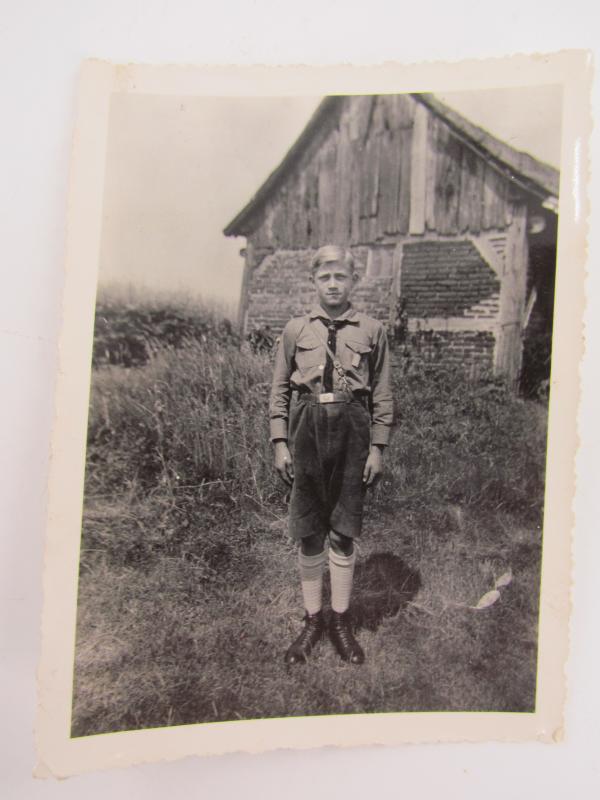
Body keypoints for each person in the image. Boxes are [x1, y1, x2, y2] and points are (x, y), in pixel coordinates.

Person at [270, 245, 393, 665]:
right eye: (325, 277)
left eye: (341, 276)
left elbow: (382, 392)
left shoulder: (372, 330)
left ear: (354, 280)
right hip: (305, 427)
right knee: (308, 530)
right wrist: (279, 441)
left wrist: (378, 446)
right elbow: (280, 390)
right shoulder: (295, 330)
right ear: (314, 282)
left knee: (343, 530)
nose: (333, 284)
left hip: (353, 430)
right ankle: (312, 620)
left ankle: (340, 621)